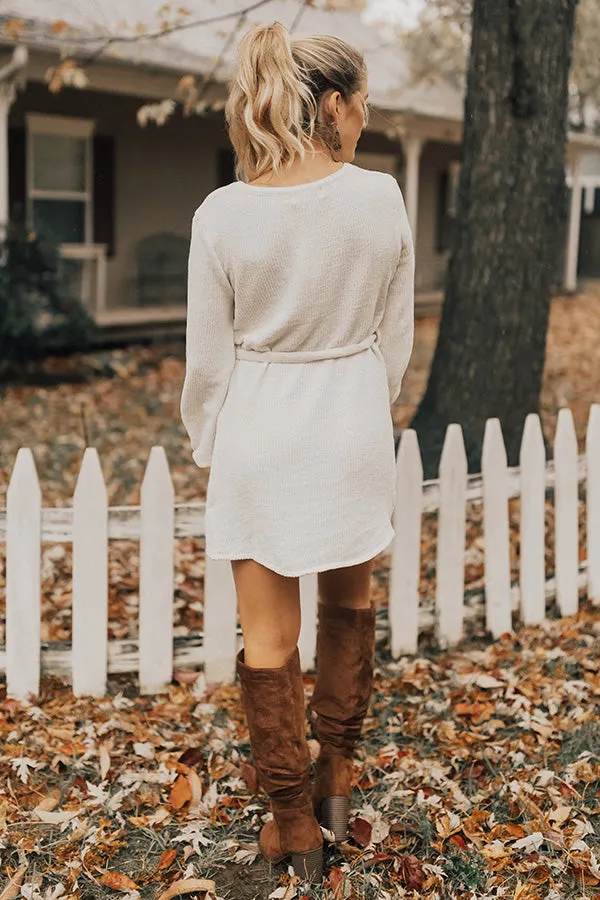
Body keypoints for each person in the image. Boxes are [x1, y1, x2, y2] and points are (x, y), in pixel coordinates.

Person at [180, 20, 415, 885]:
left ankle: (291, 824)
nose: (364, 123)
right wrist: (359, 406)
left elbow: (209, 363)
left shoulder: (223, 214)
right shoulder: (382, 197)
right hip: (351, 429)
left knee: (269, 639)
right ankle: (339, 777)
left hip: (261, 435)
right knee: (349, 608)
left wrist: (212, 439)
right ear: (335, 106)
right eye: (362, 107)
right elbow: (394, 341)